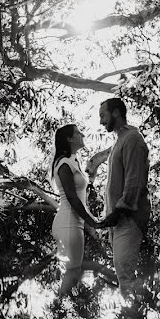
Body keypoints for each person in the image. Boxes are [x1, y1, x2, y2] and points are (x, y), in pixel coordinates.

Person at [98, 98, 150, 301]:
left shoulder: (132, 139)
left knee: (124, 275)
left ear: (116, 113)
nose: (101, 122)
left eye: (103, 116)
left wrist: (118, 212)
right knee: (123, 274)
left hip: (128, 218)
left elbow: (134, 181)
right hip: (117, 220)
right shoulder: (119, 141)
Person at [50, 124, 101, 296]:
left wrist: (89, 219)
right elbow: (72, 198)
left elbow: (80, 196)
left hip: (74, 223)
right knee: (72, 270)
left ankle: (63, 305)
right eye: (79, 132)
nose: (83, 134)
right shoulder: (64, 164)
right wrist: (91, 220)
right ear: (70, 139)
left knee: (74, 270)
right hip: (68, 223)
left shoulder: (74, 161)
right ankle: (59, 306)